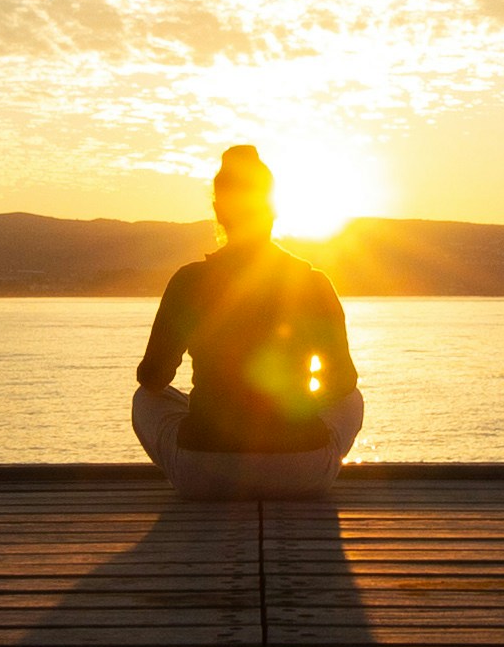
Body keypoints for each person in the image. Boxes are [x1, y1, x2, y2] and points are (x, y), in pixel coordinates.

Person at [132, 144, 363, 500]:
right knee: (353, 400)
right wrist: (300, 399)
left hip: (205, 472)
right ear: (273, 210)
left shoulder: (189, 281)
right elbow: (343, 381)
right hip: (301, 470)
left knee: (144, 400)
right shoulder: (313, 282)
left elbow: (152, 379)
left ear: (218, 211)